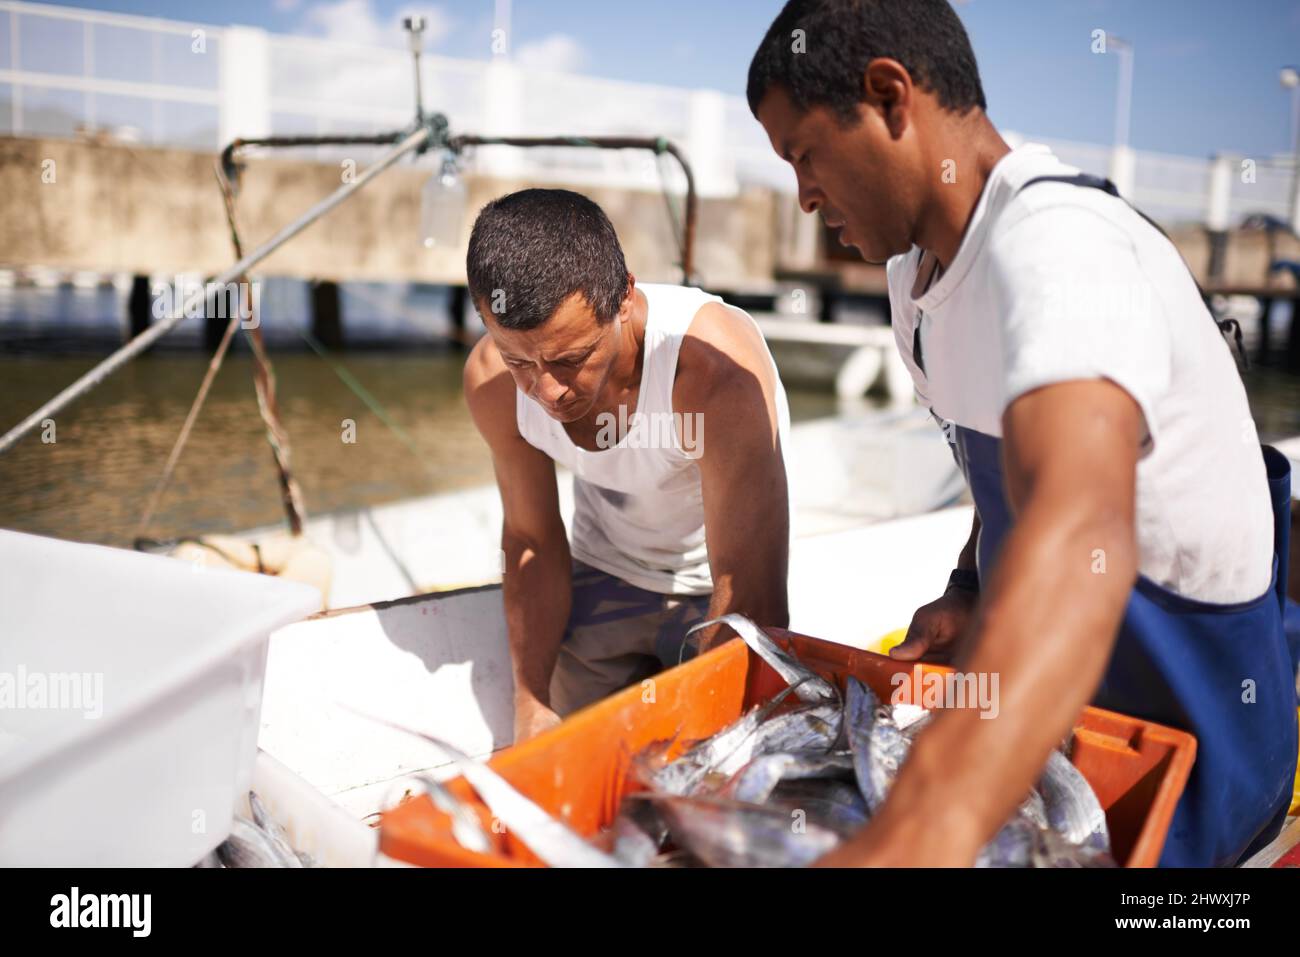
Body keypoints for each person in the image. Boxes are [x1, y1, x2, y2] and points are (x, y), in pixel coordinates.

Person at [748, 0, 1299, 866]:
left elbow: (1081, 535)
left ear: (891, 98)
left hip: (1192, 792)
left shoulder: (1060, 249)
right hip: (1049, 749)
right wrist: (970, 584)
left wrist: (918, 831)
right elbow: (1008, 481)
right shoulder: (915, 287)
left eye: (805, 154)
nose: (805, 194)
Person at [462, 188, 792, 743]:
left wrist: (695, 743)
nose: (545, 391)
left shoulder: (713, 374)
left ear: (623, 299)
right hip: (601, 573)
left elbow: (751, 592)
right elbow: (530, 536)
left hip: (713, 587)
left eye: (570, 360)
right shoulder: (492, 381)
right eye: (521, 360)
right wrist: (531, 702)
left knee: (702, 765)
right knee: (565, 756)